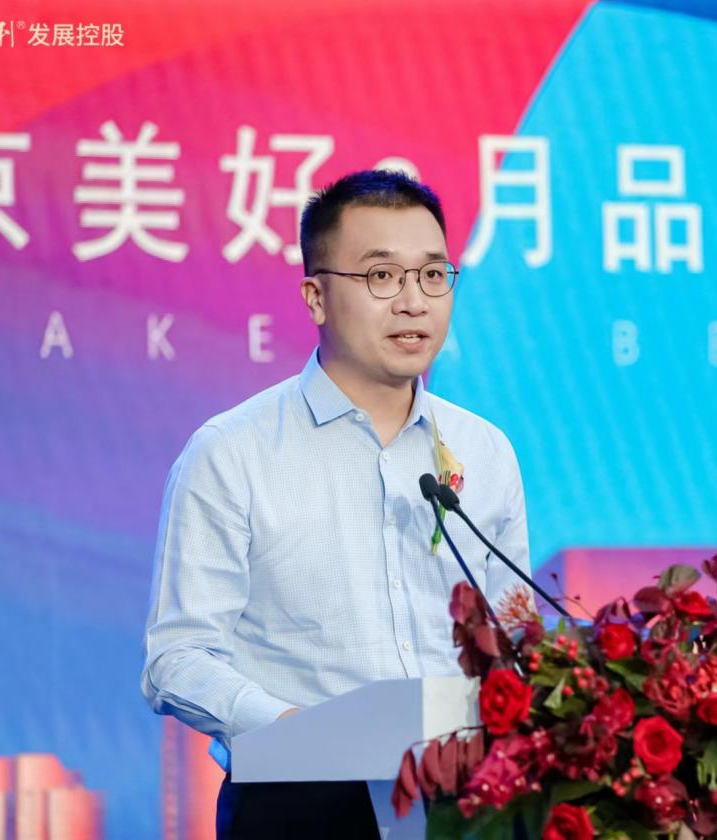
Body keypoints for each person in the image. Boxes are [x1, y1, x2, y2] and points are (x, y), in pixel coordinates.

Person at [140, 170, 530, 838]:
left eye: (432, 275)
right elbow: (176, 660)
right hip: (301, 802)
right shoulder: (233, 453)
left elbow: (512, 634)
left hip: (465, 803)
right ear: (315, 297)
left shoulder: (483, 449)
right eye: (382, 276)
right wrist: (295, 732)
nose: (414, 302)